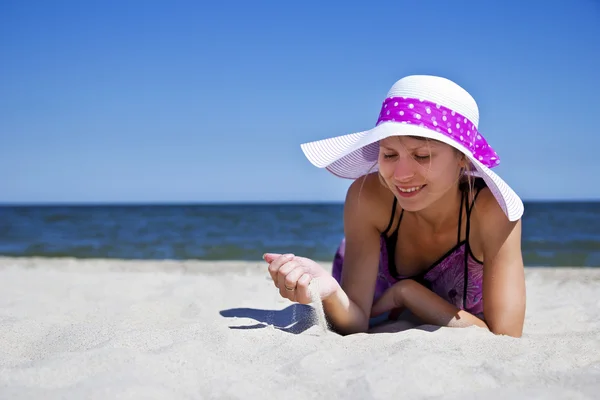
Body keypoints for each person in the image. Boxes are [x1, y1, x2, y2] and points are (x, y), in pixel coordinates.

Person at [263, 75, 526, 337]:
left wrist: (407, 293)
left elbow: (506, 335)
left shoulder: (491, 212)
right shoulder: (367, 198)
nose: (400, 175)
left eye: (421, 155)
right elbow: (355, 322)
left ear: (462, 158)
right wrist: (331, 292)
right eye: (389, 154)